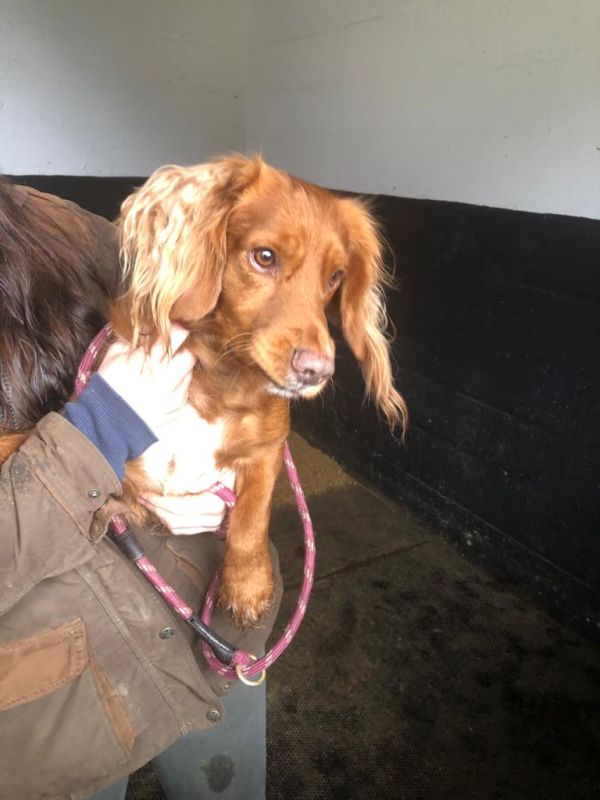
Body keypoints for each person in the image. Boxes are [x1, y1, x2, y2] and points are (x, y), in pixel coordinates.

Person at [0, 183, 282, 800]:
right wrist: (99, 431)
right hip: (61, 701)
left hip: (202, 617)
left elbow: (215, 335)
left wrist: (227, 467)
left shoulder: (57, 225)